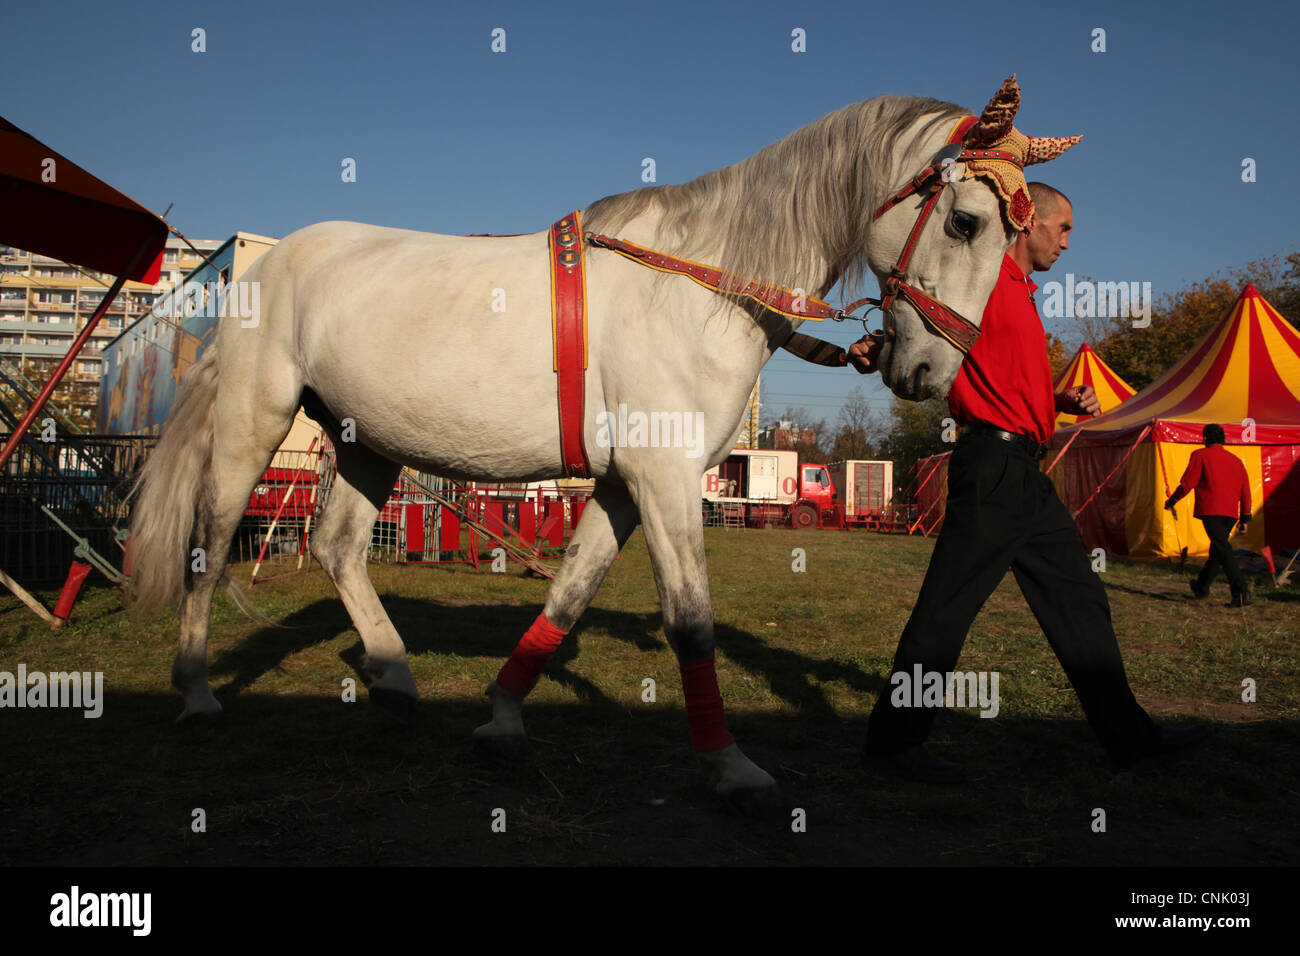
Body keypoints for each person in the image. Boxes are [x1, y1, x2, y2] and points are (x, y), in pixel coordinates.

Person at [846, 182, 1211, 782]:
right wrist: (880, 341)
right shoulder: (982, 282)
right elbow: (925, 321)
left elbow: (1008, 377)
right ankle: (892, 748)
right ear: (1026, 219)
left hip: (1023, 470)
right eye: (1061, 227)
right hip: (990, 467)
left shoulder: (1021, 293)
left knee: (1079, 596)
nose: (1068, 241)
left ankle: (1131, 739)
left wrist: (1060, 398)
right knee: (946, 610)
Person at [1164, 424, 1252, 606]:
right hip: (1231, 514)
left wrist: (1172, 500)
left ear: (1205, 438)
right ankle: (1201, 587)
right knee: (1217, 550)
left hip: (1211, 510)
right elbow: (1246, 491)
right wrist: (1245, 517)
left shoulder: (1200, 455)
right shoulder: (1236, 461)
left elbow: (1188, 483)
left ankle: (1241, 591)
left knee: (1222, 549)